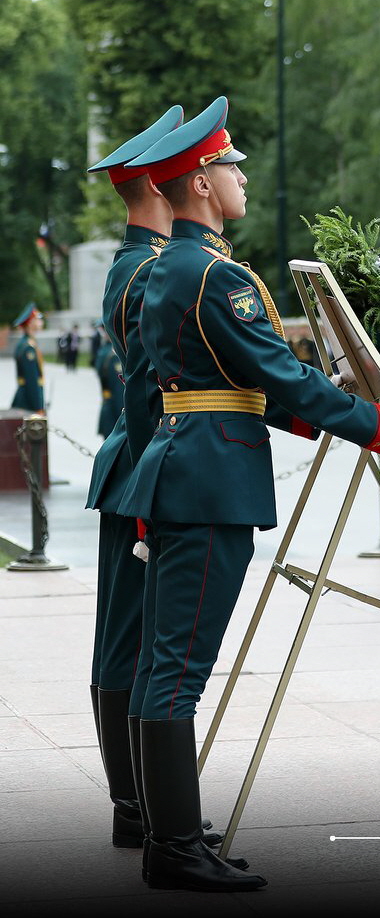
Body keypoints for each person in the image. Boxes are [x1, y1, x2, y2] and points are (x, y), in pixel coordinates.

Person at [117, 97, 380, 892]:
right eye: (231, 165)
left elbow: (231, 382)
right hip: (210, 485)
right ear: (202, 181)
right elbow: (277, 372)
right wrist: (374, 422)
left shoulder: (170, 270)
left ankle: (168, 836)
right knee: (177, 669)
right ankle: (173, 847)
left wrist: (317, 414)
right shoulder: (214, 273)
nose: (242, 176)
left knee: (161, 666)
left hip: (186, 471)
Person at [79, 103, 183, 858]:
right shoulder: (148, 271)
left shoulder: (136, 263)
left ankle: (135, 805)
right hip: (141, 472)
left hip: (129, 470)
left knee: (126, 640)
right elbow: (149, 396)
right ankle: (137, 807)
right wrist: (157, 497)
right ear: (157, 182)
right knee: (131, 643)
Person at [10, 303, 44, 411]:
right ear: (30, 323)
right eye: (37, 319)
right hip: (28, 403)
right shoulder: (28, 348)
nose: (41, 322)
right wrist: (38, 407)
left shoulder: (26, 343)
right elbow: (31, 380)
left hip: (24, 398)